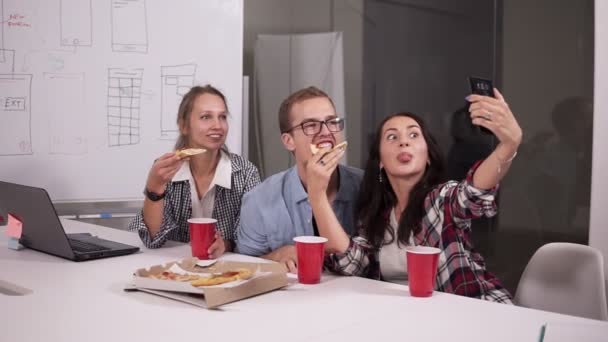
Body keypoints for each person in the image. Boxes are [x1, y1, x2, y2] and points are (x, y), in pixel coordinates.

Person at [322, 89, 521, 303]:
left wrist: (508, 145)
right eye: (392, 137)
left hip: (478, 312)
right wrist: (318, 194)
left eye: (413, 135)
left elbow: (472, 193)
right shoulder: (376, 216)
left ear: (427, 157)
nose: (403, 142)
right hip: (414, 318)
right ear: (380, 161)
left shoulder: (440, 199)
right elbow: (351, 263)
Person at [236, 86, 363, 272]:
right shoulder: (259, 200)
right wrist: (274, 257)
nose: (326, 131)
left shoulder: (368, 188)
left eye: (331, 122)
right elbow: (241, 265)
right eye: (311, 125)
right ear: (288, 141)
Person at [129, 85, 261, 258]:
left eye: (222, 117)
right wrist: (154, 188)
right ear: (184, 125)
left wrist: (225, 245)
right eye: (206, 117)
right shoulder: (166, 170)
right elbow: (153, 238)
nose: (217, 125)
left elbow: (250, 240)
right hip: (173, 268)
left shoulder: (245, 173)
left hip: (226, 270)